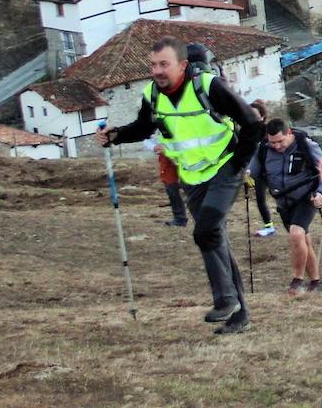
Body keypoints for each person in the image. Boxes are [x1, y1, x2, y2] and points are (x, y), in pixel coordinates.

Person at [96, 36, 263, 335]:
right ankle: (239, 314)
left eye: (164, 64)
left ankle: (226, 300)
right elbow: (145, 127)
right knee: (214, 238)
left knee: (206, 230)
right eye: (153, 65)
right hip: (192, 176)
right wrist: (116, 135)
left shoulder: (210, 87)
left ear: (182, 65)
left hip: (225, 166)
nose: (158, 71)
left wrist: (238, 164)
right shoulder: (152, 94)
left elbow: (252, 123)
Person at [250, 117, 322, 294]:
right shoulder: (262, 149)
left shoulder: (306, 145)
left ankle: (297, 280)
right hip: (283, 201)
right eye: (272, 142)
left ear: (289, 133)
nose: (276, 146)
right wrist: (245, 176)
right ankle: (315, 282)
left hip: (306, 197)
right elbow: (252, 172)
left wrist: (321, 193)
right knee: (303, 240)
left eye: (280, 141)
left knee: (296, 233)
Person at [249, 100, 276, 237]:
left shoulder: (268, 130)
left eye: (254, 114)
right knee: (260, 198)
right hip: (258, 171)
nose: (251, 117)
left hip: (272, 169)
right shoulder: (247, 131)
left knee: (280, 195)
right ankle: (269, 226)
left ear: (262, 116)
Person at [157, 149, 187, 227]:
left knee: (191, 184)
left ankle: (181, 218)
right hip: (167, 154)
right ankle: (180, 218)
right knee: (171, 186)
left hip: (182, 152)